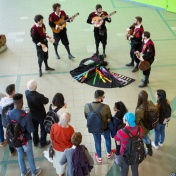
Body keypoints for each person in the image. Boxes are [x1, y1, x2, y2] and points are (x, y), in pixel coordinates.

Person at [7, 93, 41, 176]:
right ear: (21, 102)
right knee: (29, 154)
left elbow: (7, 125)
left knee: (20, 154)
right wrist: (28, 115)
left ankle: (23, 172)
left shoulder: (9, 113)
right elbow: (30, 129)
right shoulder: (26, 115)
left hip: (15, 139)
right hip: (26, 139)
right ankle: (34, 172)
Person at [84, 90, 115, 163]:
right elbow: (109, 117)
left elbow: (86, 117)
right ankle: (109, 153)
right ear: (99, 98)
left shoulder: (87, 106)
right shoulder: (106, 107)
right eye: (103, 97)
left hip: (94, 128)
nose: (103, 98)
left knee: (97, 142)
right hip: (105, 128)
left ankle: (99, 157)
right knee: (107, 139)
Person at [25, 80, 50, 148]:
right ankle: (43, 143)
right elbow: (46, 100)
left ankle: (35, 141)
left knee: (35, 129)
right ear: (36, 87)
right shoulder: (39, 96)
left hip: (32, 115)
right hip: (41, 115)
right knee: (43, 129)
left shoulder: (26, 93)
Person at [135, 90, 154, 156]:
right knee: (147, 138)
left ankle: (142, 152)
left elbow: (137, 122)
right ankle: (150, 150)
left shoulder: (139, 110)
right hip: (149, 126)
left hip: (142, 129)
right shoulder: (150, 102)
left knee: (142, 140)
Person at [0, 84, 16, 155]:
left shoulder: (3, 100)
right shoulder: (14, 102)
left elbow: (1, 112)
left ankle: (11, 150)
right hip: (13, 123)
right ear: (13, 92)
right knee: (16, 134)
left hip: (6, 122)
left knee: (9, 135)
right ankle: (18, 147)